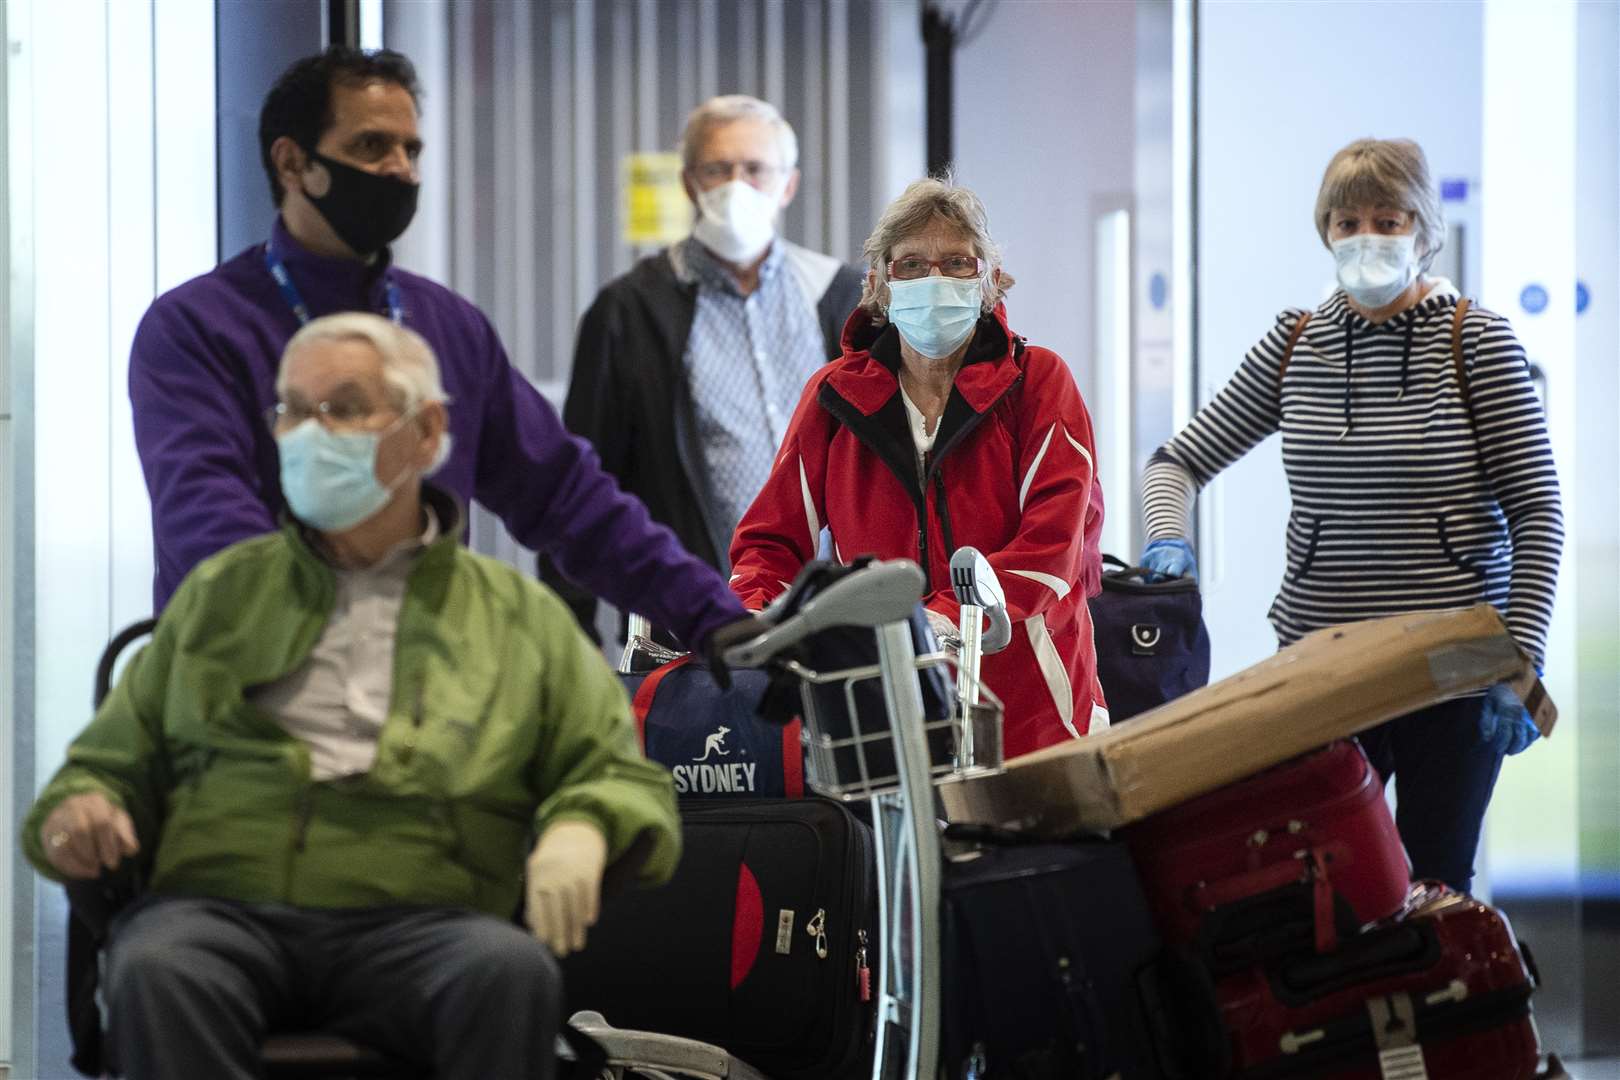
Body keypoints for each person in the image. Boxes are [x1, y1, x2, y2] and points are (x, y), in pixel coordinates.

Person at [23, 314, 681, 1080]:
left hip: (430, 921)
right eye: (291, 411)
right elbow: (100, 767)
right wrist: (82, 809)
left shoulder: (515, 617)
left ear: (426, 432)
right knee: (157, 966)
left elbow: (618, 775)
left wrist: (584, 826)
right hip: (219, 914)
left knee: (506, 971)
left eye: (341, 408)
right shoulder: (221, 596)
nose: (308, 434)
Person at [128, 45, 752, 665]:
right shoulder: (196, 329)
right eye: (371, 147)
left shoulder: (446, 327)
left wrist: (717, 621)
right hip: (243, 693)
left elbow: (570, 497)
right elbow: (207, 521)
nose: (400, 169)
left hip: (421, 700)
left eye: (411, 150)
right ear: (293, 163)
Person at [1138, 137, 1563, 894]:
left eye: (1388, 218)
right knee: (1331, 885)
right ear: (1326, 233)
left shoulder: (1478, 341)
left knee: (1438, 885)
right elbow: (1177, 462)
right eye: (1346, 221)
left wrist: (1520, 660)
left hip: (1456, 670)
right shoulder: (1296, 343)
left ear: (1424, 228)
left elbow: (1538, 511)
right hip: (1322, 661)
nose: (1366, 236)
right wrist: (1166, 536)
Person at [728, 176, 1108, 759]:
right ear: (878, 283)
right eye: (911, 264)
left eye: (957, 262)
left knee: (1034, 852)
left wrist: (941, 620)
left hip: (1033, 708)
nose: (934, 279)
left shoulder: (1038, 382)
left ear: (989, 280)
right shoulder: (834, 397)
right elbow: (770, 544)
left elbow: (1055, 545)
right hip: (882, 707)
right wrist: (763, 625)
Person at [552, 94, 864, 640]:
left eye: (755, 170)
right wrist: (571, 637)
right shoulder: (630, 311)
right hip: (693, 620)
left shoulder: (841, 297)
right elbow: (581, 483)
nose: (736, 186)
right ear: (689, 182)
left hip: (834, 612)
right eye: (718, 169)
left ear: (787, 184)